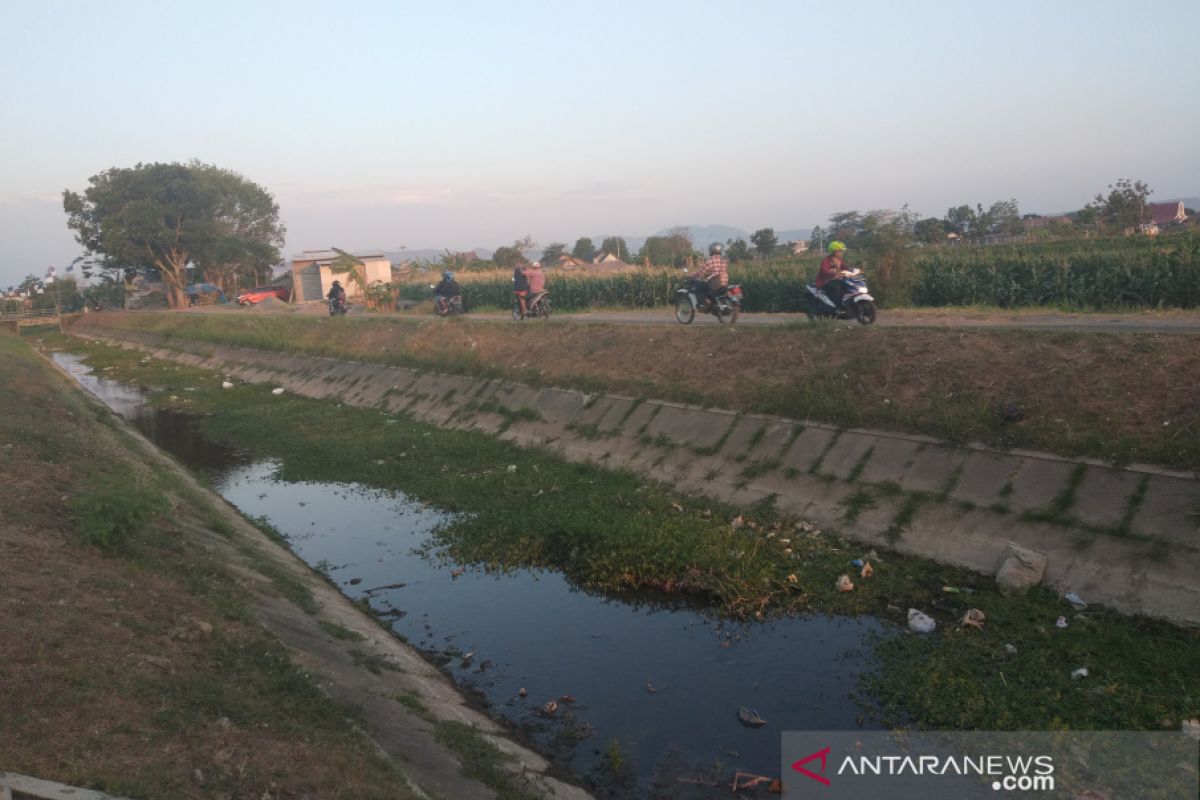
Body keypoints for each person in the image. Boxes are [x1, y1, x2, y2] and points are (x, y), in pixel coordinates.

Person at [816, 241, 850, 310]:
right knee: (836, 287)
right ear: (834, 252)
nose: (841, 252)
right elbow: (824, 271)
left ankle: (848, 305)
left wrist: (854, 271)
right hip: (826, 282)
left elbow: (846, 268)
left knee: (848, 286)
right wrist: (832, 272)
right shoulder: (827, 261)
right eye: (839, 251)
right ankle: (837, 307)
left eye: (841, 251)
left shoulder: (839, 260)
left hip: (837, 280)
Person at [694, 243, 729, 308]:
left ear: (711, 251)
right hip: (725, 283)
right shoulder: (724, 260)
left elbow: (701, 272)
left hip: (715, 283)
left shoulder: (709, 261)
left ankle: (706, 301)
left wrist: (694, 275)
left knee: (698, 285)